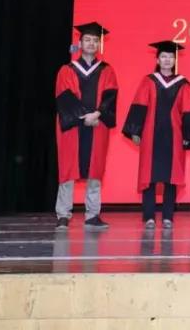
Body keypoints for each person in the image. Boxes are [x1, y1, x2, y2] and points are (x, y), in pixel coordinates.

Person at [122, 40, 190, 229]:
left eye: (170, 57)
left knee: (172, 176)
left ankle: (168, 216)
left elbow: (187, 111)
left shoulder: (184, 84)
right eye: (163, 56)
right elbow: (139, 104)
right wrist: (135, 131)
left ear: (175, 60)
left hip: (174, 134)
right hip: (150, 134)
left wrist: (188, 135)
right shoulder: (149, 80)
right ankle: (149, 217)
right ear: (157, 59)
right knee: (150, 176)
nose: (167, 60)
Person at [54, 21, 119, 230]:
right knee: (68, 170)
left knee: (95, 170)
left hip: (97, 124)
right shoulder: (67, 69)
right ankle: (63, 214)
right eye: (87, 40)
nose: (91, 43)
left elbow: (110, 96)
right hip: (74, 127)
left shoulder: (107, 70)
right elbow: (65, 96)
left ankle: (92, 215)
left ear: (99, 45)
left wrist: (98, 113)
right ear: (80, 43)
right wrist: (84, 117)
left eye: (95, 40)